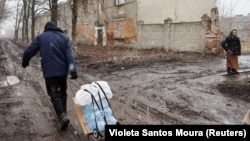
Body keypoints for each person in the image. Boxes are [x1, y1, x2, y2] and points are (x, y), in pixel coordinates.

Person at [22, 21, 78, 130]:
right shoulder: (64, 37)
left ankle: (62, 115)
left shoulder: (42, 37)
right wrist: (73, 71)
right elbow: (70, 56)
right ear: (56, 27)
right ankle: (63, 113)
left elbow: (29, 50)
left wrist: (25, 61)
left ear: (46, 29)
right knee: (62, 93)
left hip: (50, 72)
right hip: (62, 72)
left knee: (54, 94)